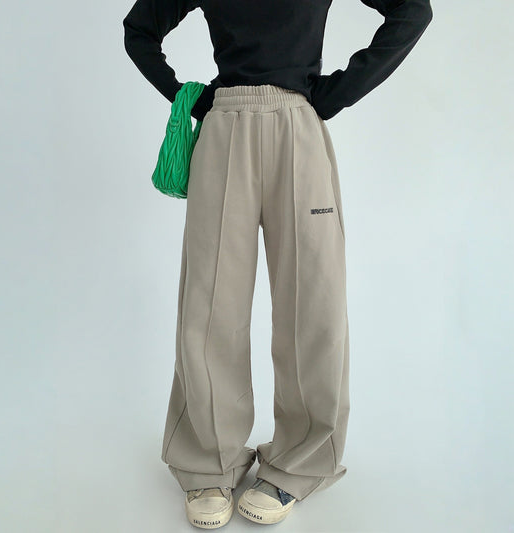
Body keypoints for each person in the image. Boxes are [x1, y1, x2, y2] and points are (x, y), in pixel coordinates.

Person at [122, 0, 433, 528]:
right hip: (224, 130)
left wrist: (335, 93)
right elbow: (139, 30)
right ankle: (207, 462)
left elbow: (411, 10)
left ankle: (301, 462)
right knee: (210, 305)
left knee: (314, 303)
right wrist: (192, 99)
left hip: (298, 127)